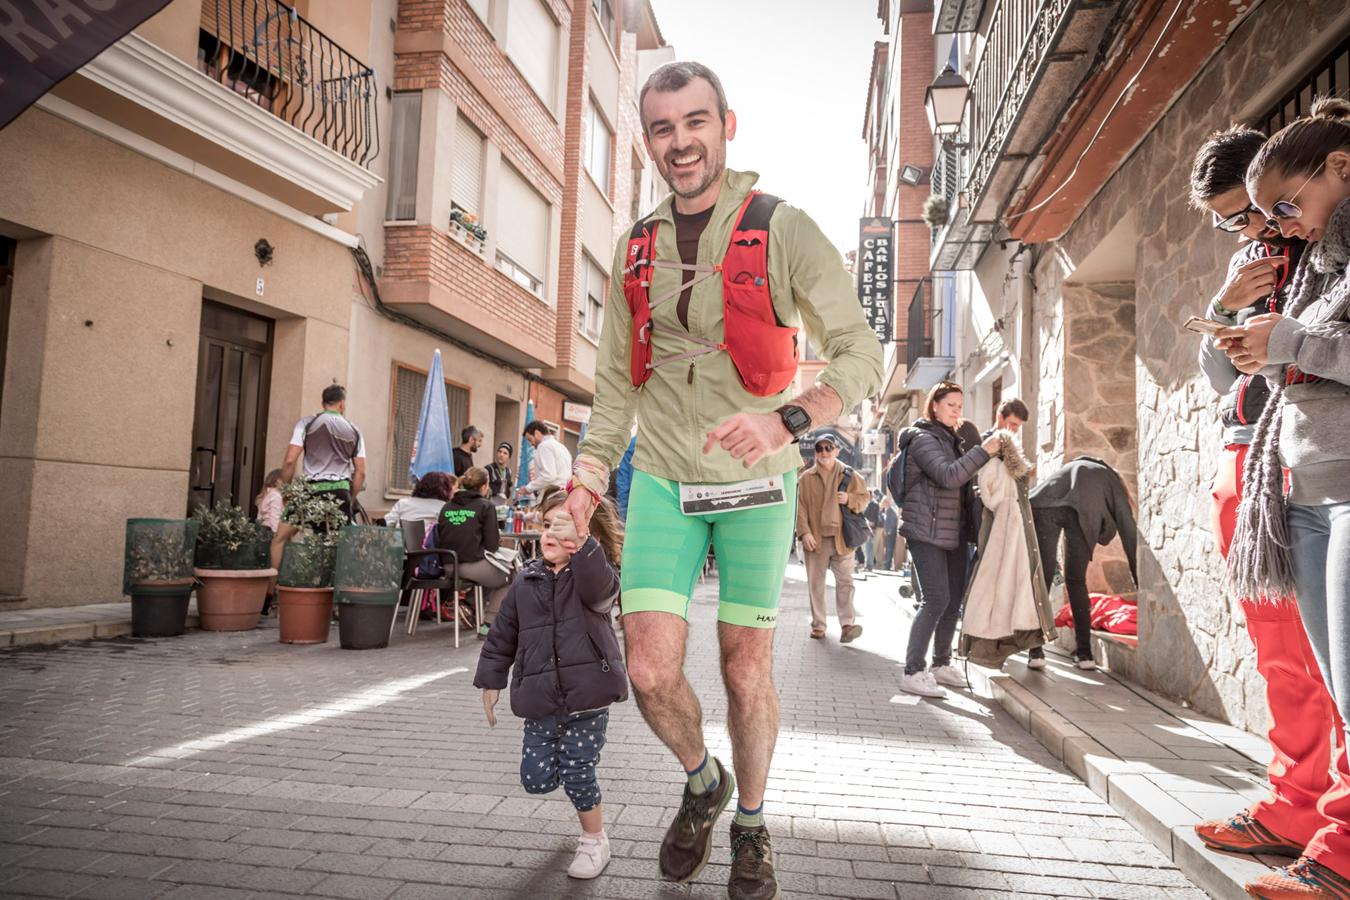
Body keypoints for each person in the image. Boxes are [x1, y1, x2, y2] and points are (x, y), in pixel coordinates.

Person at [560, 61, 883, 899]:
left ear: (726, 125)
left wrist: (789, 419)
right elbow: (613, 394)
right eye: (663, 128)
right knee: (650, 672)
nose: (680, 142)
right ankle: (704, 781)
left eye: (694, 122)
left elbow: (860, 351)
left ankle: (752, 824)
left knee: (746, 671)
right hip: (665, 482)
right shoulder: (635, 248)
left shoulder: (783, 229)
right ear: (648, 141)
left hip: (758, 488)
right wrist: (583, 488)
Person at [1187, 124, 1335, 874]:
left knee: (1324, 655)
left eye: (1250, 214)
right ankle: (1293, 802)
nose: (1248, 232)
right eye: (1229, 222)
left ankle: (1325, 823)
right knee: (1281, 652)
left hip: (1297, 466)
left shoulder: (1322, 261)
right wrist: (1226, 304)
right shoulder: (1253, 268)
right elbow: (1220, 379)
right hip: (1244, 460)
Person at [1221, 98, 1350, 899]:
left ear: (1342, 166)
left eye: (1288, 205)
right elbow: (1248, 383)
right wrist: (1252, 336)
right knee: (1340, 690)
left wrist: (1288, 342)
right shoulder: (1310, 269)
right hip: (1299, 492)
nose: (1282, 224)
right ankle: (1334, 846)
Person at [473, 490, 627, 881]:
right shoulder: (526, 580)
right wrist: (491, 681)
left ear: (585, 534)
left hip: (587, 695)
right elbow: (502, 635)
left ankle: (594, 839)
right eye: (546, 525)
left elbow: (603, 592)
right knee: (536, 778)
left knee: (578, 770)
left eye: (564, 525)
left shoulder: (593, 574)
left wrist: (583, 544)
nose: (550, 534)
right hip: (540, 697)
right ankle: (574, 778)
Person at [891, 382, 1000, 698]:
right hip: (925, 530)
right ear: (934, 405)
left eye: (959, 405)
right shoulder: (923, 440)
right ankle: (913, 671)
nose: (956, 411)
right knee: (936, 599)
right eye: (950, 404)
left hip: (953, 531)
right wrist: (983, 452)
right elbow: (949, 475)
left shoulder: (953, 441)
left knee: (954, 600)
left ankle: (941, 663)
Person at [1029, 457, 1138, 671]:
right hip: (1084, 516)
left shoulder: (1075, 466)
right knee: (1076, 580)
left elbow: (1040, 493)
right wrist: (1139, 578)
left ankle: (1035, 652)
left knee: (1043, 579)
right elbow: (1128, 528)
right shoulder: (1112, 482)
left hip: (1047, 508)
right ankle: (1085, 653)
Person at [958, 431, 1054, 669]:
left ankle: (995, 648)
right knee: (1024, 591)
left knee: (994, 592)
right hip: (1018, 536)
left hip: (999, 535)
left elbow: (988, 499)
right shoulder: (1017, 475)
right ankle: (1034, 649)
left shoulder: (989, 469)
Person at [270, 385, 366, 574]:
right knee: (342, 546)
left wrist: (287, 492)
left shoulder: (306, 424)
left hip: (310, 490)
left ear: (322, 403)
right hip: (340, 491)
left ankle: (269, 594)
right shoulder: (354, 431)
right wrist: (350, 499)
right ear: (342, 404)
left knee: (279, 540)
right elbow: (360, 473)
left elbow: (289, 461)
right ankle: (335, 595)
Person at [796, 433, 870, 642]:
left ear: (837, 450)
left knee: (845, 582)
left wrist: (849, 498)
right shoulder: (806, 478)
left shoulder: (850, 475)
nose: (824, 452)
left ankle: (847, 625)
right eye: (820, 449)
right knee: (816, 584)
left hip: (842, 539)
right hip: (816, 540)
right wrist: (805, 532)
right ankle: (818, 625)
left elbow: (865, 499)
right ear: (815, 452)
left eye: (829, 448)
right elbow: (800, 508)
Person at [435, 467, 512, 629]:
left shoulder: (446, 507)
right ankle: (489, 623)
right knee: (509, 575)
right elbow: (492, 546)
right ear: (484, 486)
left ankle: (469, 606)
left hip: (447, 566)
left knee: (491, 572)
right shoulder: (486, 506)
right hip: (472, 564)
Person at [519, 421, 571, 498]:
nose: (530, 444)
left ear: (537, 433)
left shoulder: (544, 446)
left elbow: (549, 476)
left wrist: (528, 488)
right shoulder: (562, 447)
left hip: (550, 496)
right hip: (563, 494)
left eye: (530, 439)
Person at [386, 471, 456, 527]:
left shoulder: (403, 503)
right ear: (446, 489)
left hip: (402, 541)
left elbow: (389, 522)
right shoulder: (445, 507)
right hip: (430, 544)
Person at [255, 468, 284, 532]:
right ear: (277, 482)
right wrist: (277, 536)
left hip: (262, 529)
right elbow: (275, 519)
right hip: (271, 531)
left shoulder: (266, 494)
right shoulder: (276, 496)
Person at [880, 496, 899, 570]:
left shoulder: (890, 511)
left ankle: (887, 566)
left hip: (890, 533)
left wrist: (888, 531)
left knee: (889, 549)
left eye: (884, 502)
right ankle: (887, 565)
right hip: (889, 533)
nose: (883, 504)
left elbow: (893, 522)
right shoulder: (888, 510)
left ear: (887, 503)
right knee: (888, 548)